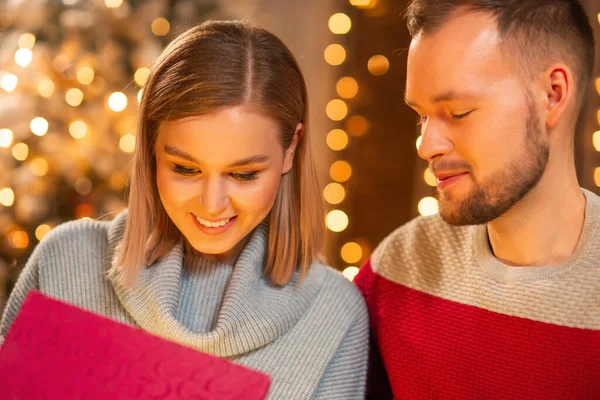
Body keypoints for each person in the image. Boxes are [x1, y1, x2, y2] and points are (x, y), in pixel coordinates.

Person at [1, 20, 369, 399]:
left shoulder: (333, 314)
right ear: (151, 148)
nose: (212, 204)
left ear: (291, 149)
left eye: (244, 174)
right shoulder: (66, 262)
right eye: (185, 169)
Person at [355, 0, 600, 398]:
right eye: (422, 115)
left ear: (553, 95)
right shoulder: (400, 266)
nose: (426, 144)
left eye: (459, 111)